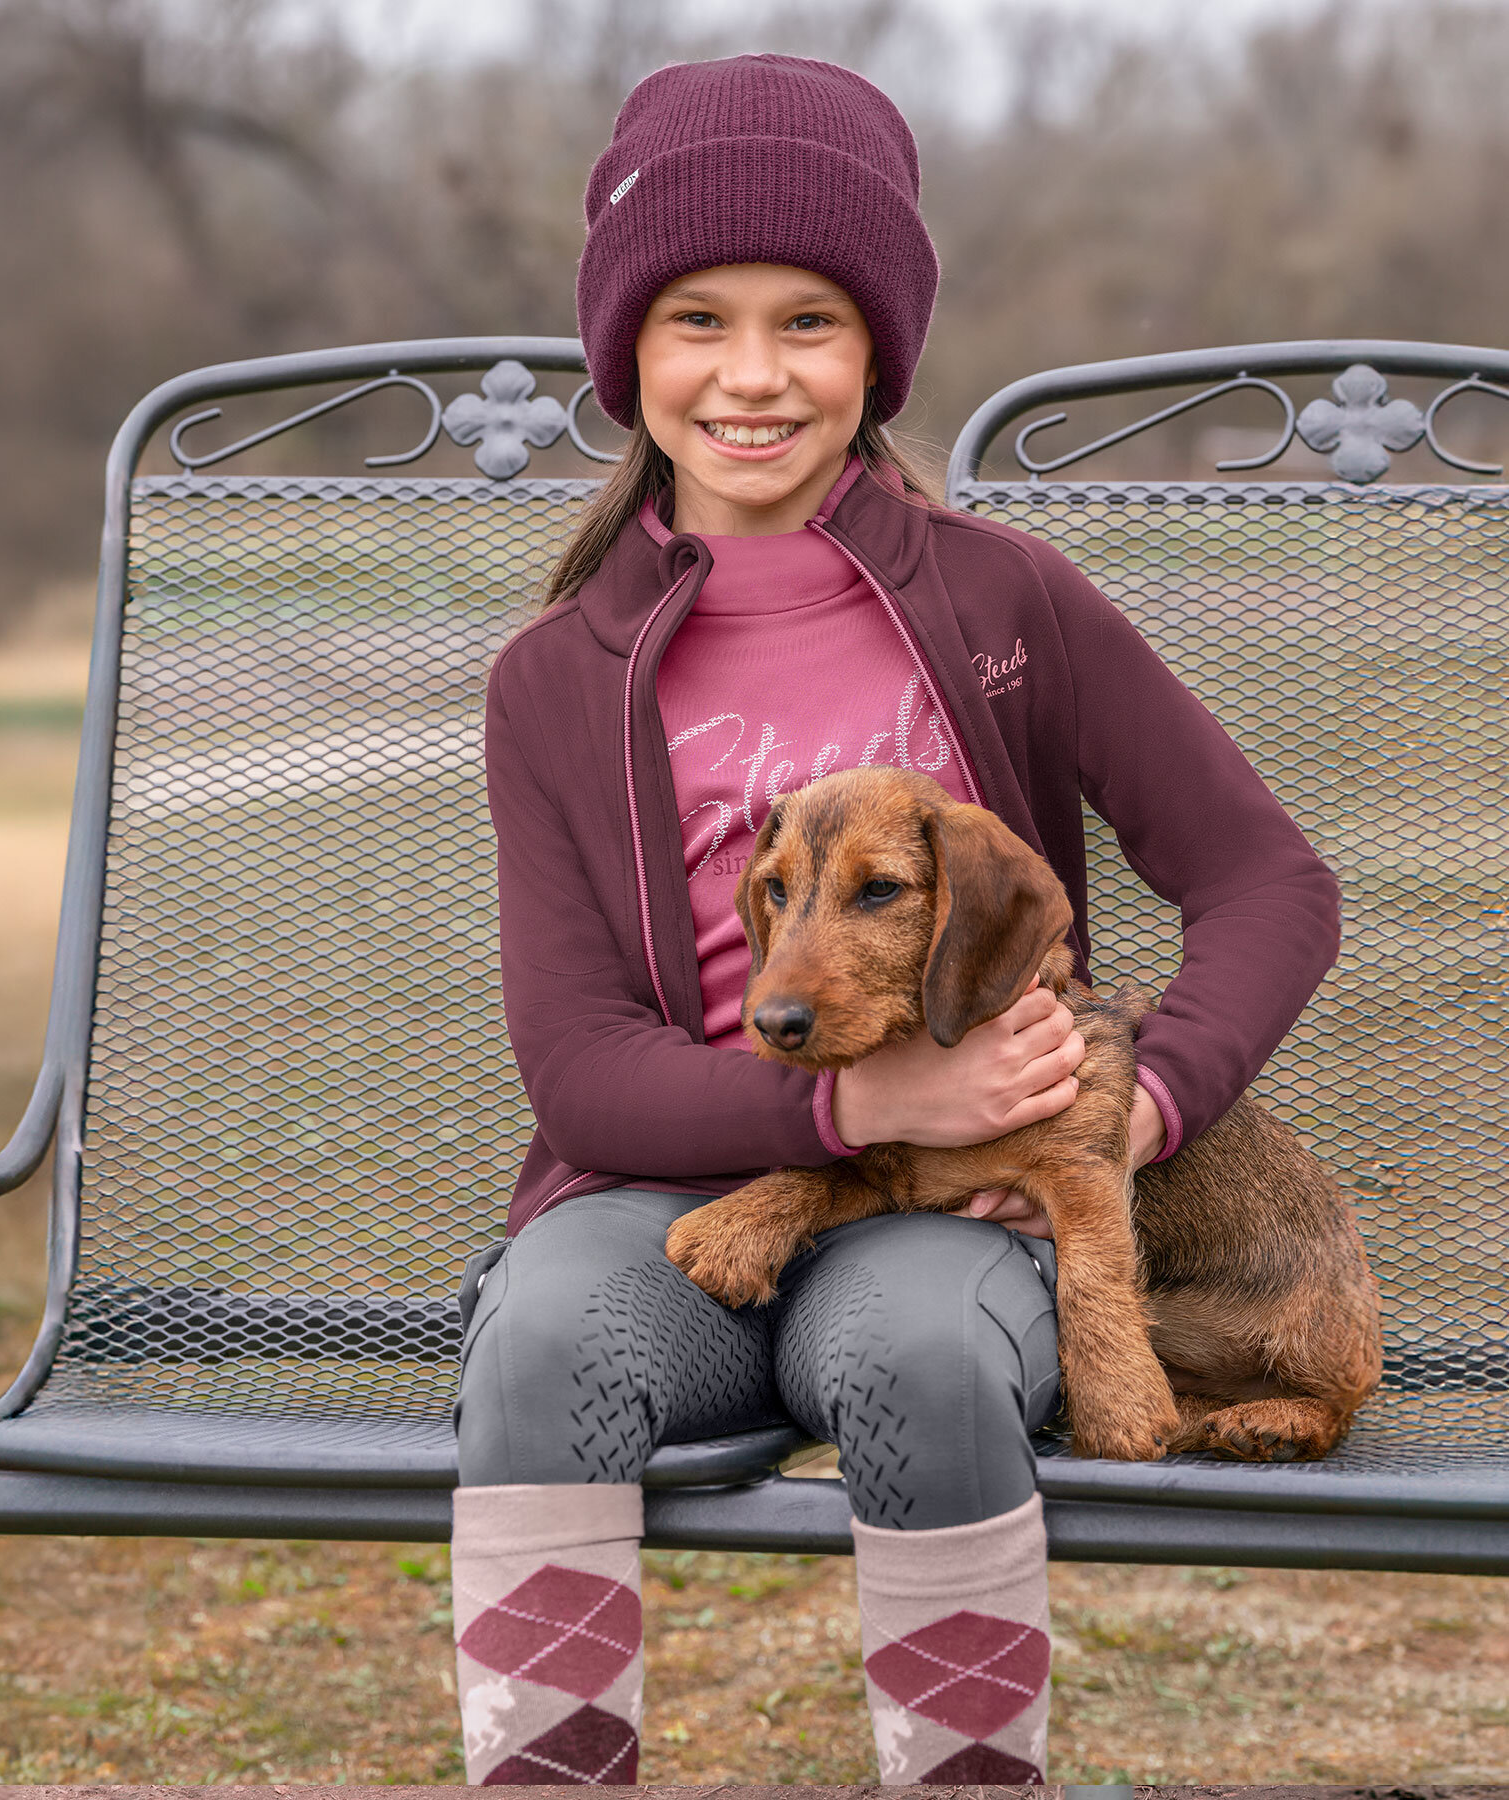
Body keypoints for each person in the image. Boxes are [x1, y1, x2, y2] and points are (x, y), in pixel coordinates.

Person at [448, 53, 1340, 1787]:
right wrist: (854, 1108)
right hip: (662, 1207)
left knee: (923, 1346)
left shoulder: (1007, 599)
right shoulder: (553, 679)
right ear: (626, 352)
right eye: (696, 319)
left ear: (879, 354)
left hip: (970, 1224)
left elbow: (1269, 883)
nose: (753, 376)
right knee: (542, 1339)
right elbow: (577, 1070)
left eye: (812, 322)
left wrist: (1137, 1110)